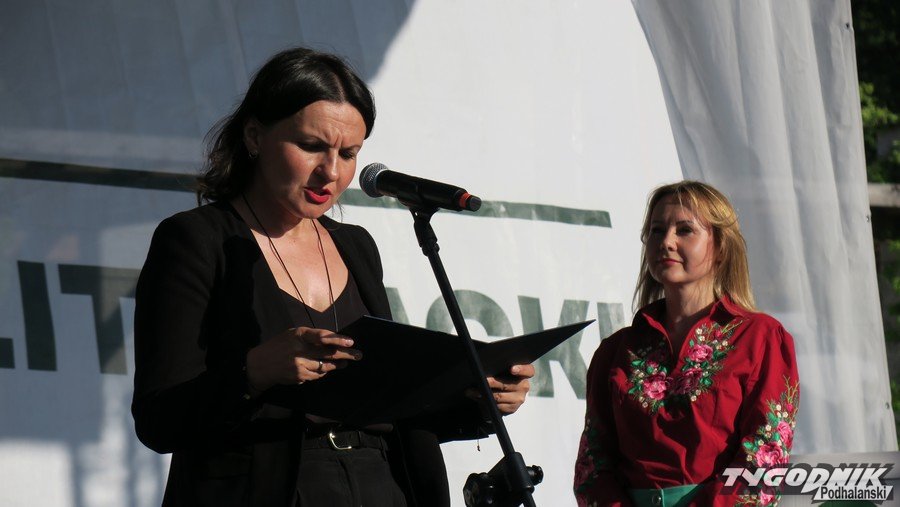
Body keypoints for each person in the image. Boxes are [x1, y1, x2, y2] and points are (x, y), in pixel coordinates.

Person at [131, 46, 534, 507]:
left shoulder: (355, 245)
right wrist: (254, 371)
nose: (331, 171)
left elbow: (387, 408)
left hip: (384, 485)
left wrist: (480, 399)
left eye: (349, 153)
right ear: (254, 136)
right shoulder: (195, 240)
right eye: (311, 146)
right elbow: (159, 419)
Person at [574, 181, 799, 507]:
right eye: (656, 230)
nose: (666, 241)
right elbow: (592, 467)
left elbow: (765, 459)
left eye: (684, 230)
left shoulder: (761, 338)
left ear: (721, 247)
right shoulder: (615, 351)